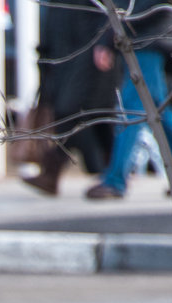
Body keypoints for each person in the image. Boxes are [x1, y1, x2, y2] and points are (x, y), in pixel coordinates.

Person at [84, 0, 172, 200]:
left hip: (145, 34)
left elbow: (135, 6)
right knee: (156, 108)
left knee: (134, 107)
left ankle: (115, 180)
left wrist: (110, 35)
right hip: (147, 33)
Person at [22, 0, 118, 196]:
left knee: (74, 111)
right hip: (63, 53)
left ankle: (53, 171)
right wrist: (44, 53)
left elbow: (109, 11)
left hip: (89, 52)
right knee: (93, 118)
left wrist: (104, 43)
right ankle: (113, 174)